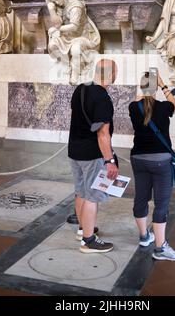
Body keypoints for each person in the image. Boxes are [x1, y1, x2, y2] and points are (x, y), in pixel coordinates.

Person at [129, 71, 175, 261]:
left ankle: (144, 236)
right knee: (161, 203)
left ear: (142, 87)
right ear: (156, 88)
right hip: (160, 161)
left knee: (141, 198)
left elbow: (138, 100)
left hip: (139, 159)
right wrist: (163, 86)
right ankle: (160, 248)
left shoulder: (133, 107)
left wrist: (145, 86)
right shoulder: (164, 107)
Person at [68, 58, 118, 253]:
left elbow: (74, 120)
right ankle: (88, 241)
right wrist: (110, 161)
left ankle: (83, 229)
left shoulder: (80, 89)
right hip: (92, 154)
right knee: (92, 196)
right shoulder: (103, 98)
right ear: (111, 75)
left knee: (81, 191)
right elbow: (102, 134)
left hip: (74, 151)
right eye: (116, 72)